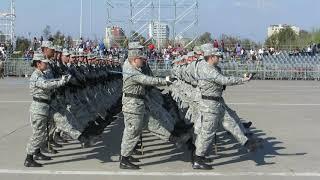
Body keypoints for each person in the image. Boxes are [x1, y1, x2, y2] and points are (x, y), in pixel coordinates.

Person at [193, 46, 256, 170]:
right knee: (207, 133)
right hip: (209, 105)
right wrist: (242, 79)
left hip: (217, 102)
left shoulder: (211, 67)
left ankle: (247, 143)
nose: (219, 58)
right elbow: (223, 80)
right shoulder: (207, 69)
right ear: (211, 57)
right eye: (217, 56)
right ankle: (198, 159)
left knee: (230, 122)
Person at [119, 49, 175, 169]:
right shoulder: (132, 72)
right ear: (135, 60)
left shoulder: (132, 68)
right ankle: (124, 159)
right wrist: (165, 80)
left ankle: (174, 137)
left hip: (138, 104)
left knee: (149, 124)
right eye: (141, 59)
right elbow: (148, 80)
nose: (143, 61)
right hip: (132, 105)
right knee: (132, 132)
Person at [24, 53, 70, 167]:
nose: (47, 64)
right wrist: (61, 82)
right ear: (38, 64)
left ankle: (37, 152)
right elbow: (46, 85)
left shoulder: (42, 74)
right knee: (38, 134)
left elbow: (50, 81)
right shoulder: (36, 76)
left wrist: (61, 78)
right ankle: (29, 158)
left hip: (44, 108)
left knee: (42, 133)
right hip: (38, 109)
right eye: (44, 62)